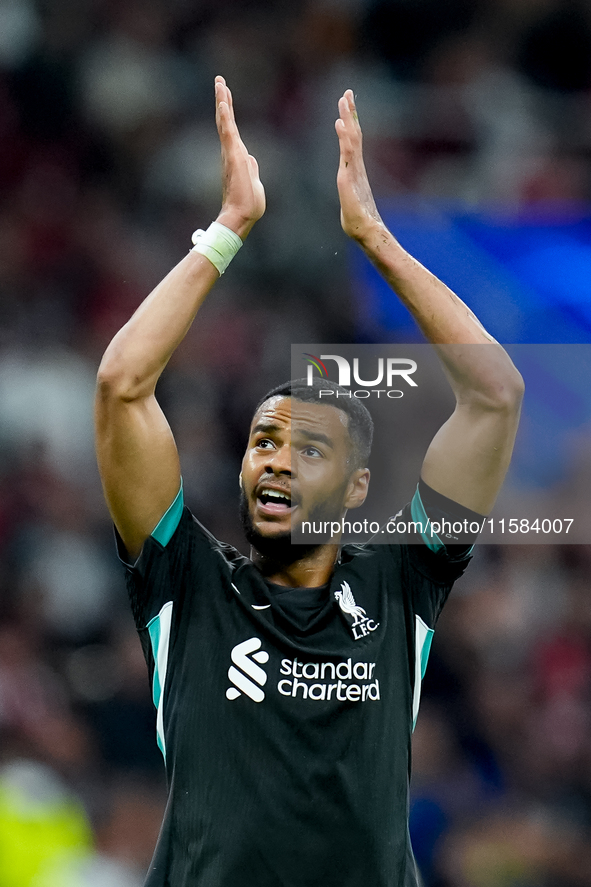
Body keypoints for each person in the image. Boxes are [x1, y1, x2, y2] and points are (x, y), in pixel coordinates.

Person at [95, 76, 524, 887]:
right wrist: (226, 229)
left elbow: (494, 394)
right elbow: (122, 383)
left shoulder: (404, 582)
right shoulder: (185, 580)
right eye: (263, 441)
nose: (276, 459)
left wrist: (374, 239)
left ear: (359, 487)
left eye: (308, 449)